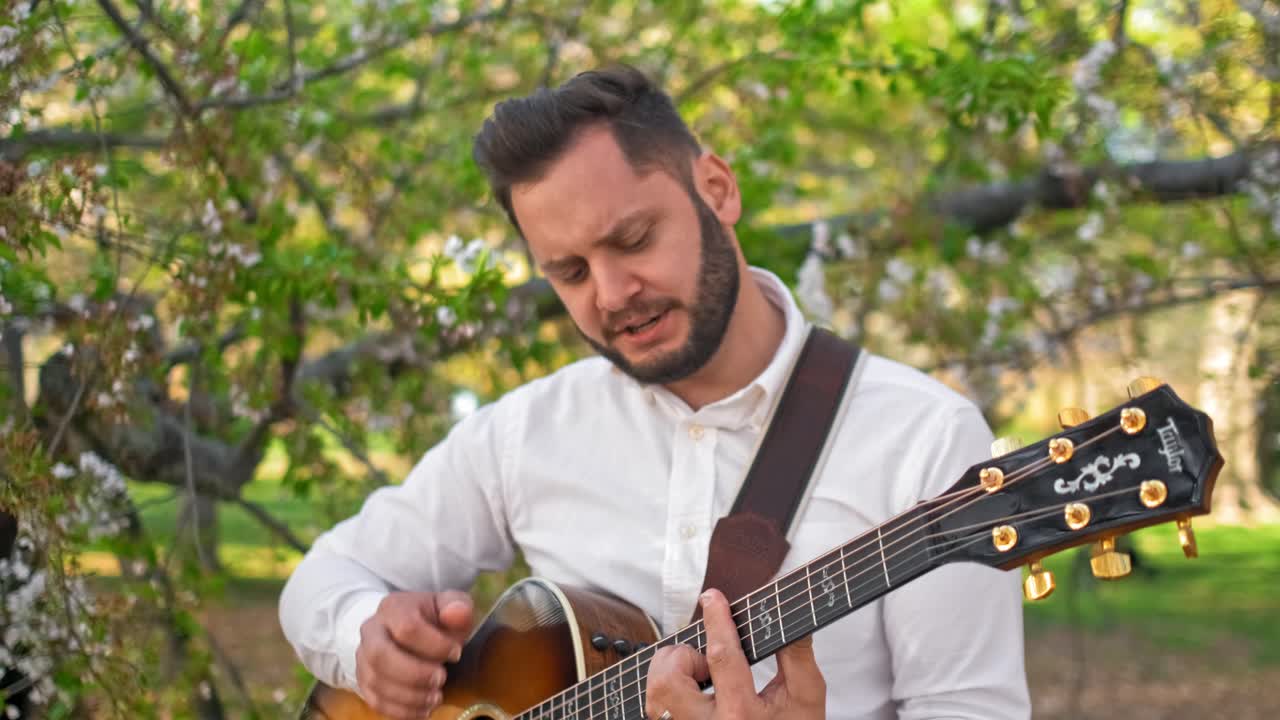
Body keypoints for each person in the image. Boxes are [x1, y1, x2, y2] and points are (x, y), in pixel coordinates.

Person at [278, 64, 1030, 720]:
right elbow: (323, 579)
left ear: (717, 189)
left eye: (633, 240)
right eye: (570, 272)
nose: (610, 295)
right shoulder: (526, 432)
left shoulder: (925, 440)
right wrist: (364, 640)